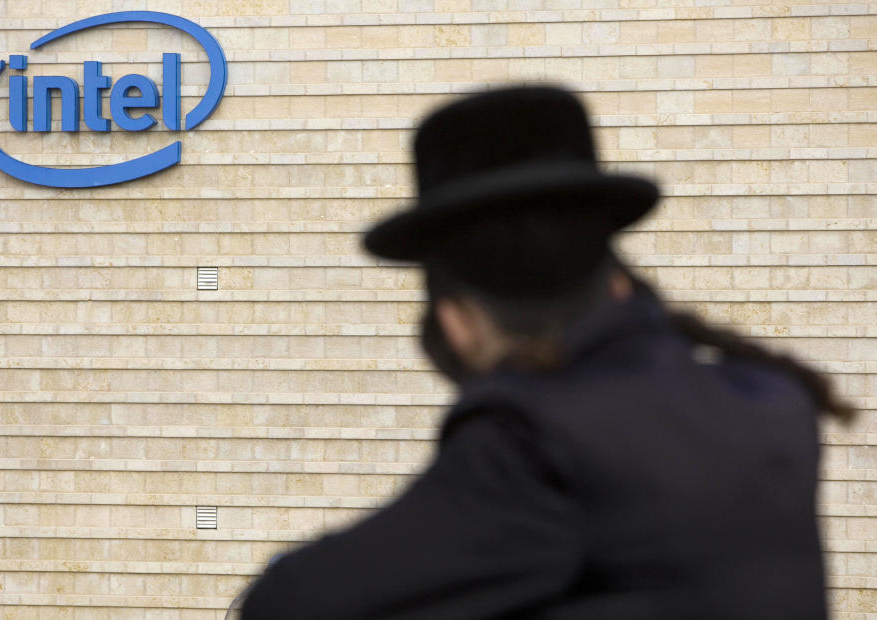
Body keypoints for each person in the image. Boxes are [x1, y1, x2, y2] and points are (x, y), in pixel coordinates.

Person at [234, 85, 853, 619]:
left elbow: (291, 602)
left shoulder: (536, 445)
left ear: (458, 322)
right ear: (616, 279)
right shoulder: (771, 401)